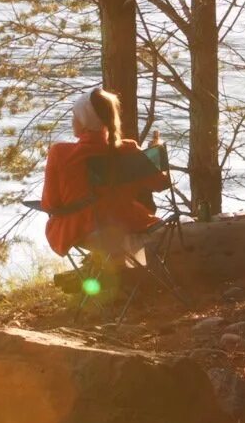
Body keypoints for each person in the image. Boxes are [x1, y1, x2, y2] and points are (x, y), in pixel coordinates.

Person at [41, 88, 170, 283]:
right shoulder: (128, 149)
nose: (72, 121)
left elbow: (51, 204)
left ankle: (109, 283)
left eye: (75, 116)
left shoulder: (61, 153)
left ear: (84, 121)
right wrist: (154, 154)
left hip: (86, 229)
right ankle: (123, 280)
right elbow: (161, 184)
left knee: (60, 222)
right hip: (131, 224)